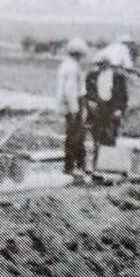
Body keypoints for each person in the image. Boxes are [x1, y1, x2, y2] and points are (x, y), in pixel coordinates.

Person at [89, 34, 135, 147]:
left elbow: (122, 94)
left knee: (109, 130)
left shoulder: (110, 48)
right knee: (100, 130)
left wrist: (119, 108)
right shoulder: (123, 49)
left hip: (111, 102)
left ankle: (107, 152)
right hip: (101, 103)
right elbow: (128, 65)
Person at [55, 38, 89, 177]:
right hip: (74, 103)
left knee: (78, 135)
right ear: (78, 53)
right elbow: (70, 91)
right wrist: (75, 109)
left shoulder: (67, 65)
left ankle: (80, 165)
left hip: (70, 103)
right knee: (74, 136)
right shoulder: (72, 68)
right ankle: (70, 166)